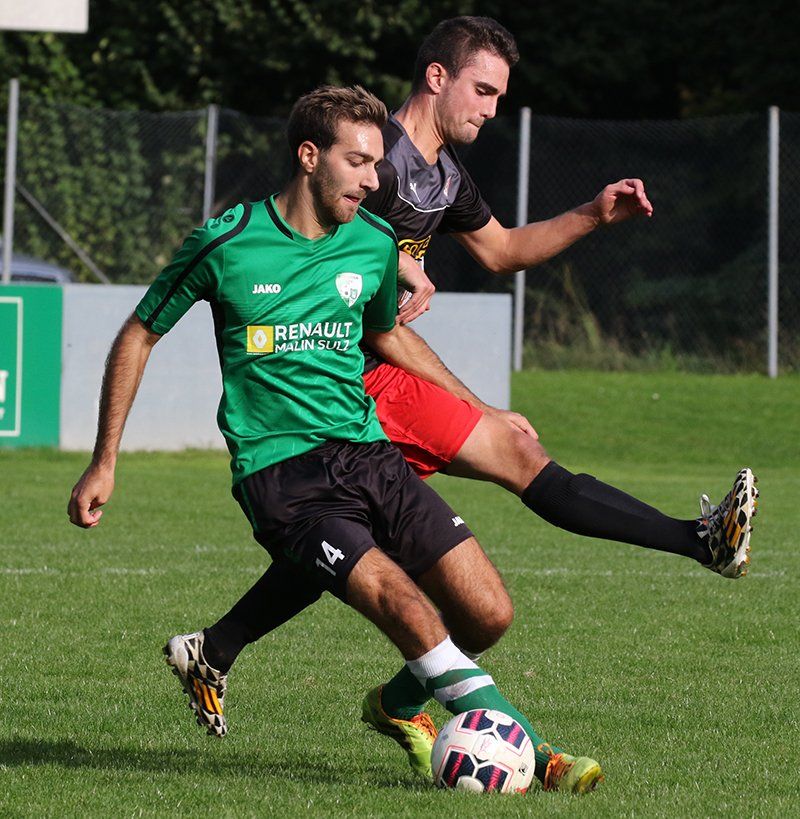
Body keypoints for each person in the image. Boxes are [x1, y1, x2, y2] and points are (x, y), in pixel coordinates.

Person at [187, 14, 759, 751]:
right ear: (437, 77)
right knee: (498, 466)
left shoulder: (445, 175)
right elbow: (310, 230)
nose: (490, 110)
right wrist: (397, 262)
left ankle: (228, 651)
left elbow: (502, 249)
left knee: (347, 541)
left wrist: (591, 215)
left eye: (498, 97)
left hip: (378, 378)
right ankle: (699, 540)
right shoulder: (376, 154)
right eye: (483, 91)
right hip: (345, 382)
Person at [67, 85, 603, 794]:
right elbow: (140, 331)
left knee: (487, 612)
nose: (373, 180)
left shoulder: (374, 243)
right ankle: (536, 753)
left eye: (377, 163)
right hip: (283, 474)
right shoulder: (227, 242)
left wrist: (480, 409)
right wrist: (104, 460)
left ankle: (378, 700)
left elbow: (387, 335)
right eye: (358, 162)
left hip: (369, 454)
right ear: (308, 156)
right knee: (404, 605)